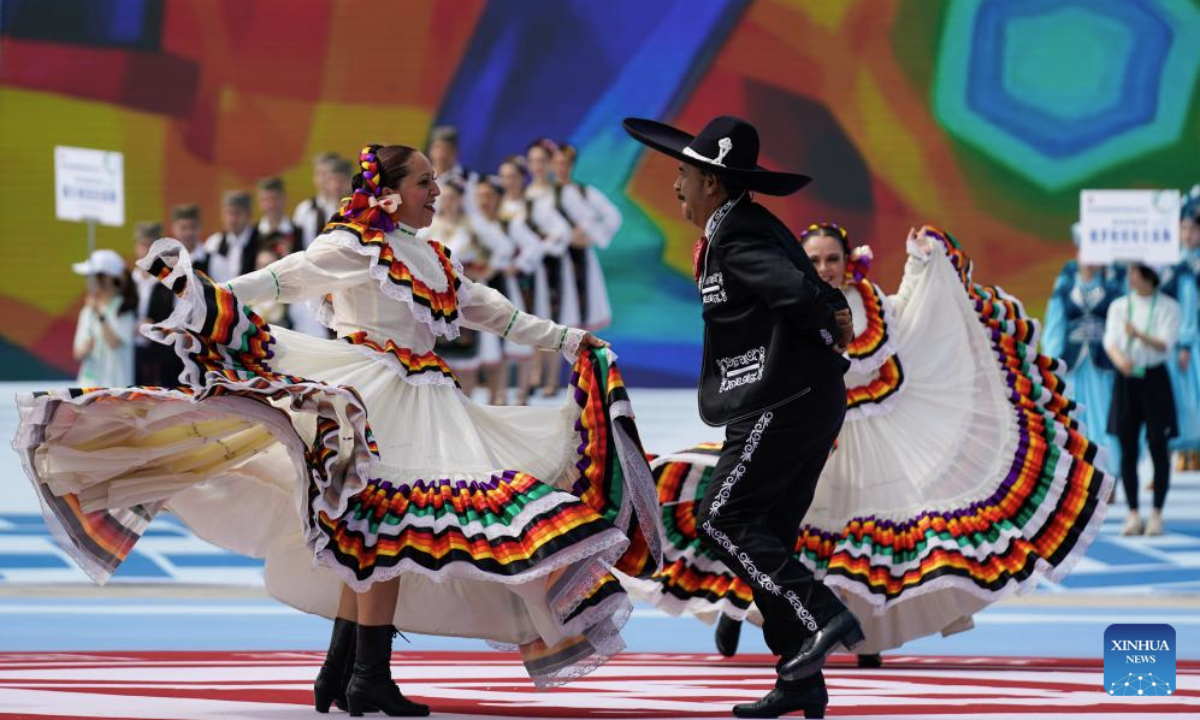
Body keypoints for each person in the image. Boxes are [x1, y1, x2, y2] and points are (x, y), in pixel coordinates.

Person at [16, 144, 662, 717]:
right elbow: (280, 279)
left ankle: (345, 673)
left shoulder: (433, 256)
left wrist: (572, 341)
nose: (436, 192)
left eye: (435, 182)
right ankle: (365, 677)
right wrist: (201, 298)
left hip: (430, 400)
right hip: (369, 396)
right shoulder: (353, 245)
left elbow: (492, 311)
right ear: (387, 193)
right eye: (424, 183)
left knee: (382, 536)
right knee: (382, 533)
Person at [639, 221, 1116, 679]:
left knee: (868, 537)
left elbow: (914, 311)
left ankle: (865, 639)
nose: (824, 268)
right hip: (806, 433)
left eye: (832, 259)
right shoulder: (788, 304)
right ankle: (741, 606)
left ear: (849, 263)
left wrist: (919, 261)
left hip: (871, 435)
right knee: (778, 532)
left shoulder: (872, 306)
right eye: (814, 260)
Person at [624, 115, 856, 720]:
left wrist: (825, 322)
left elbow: (798, 293)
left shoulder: (736, 235)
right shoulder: (740, 226)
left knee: (722, 516)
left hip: (783, 399)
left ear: (713, 182)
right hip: (801, 398)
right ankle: (800, 677)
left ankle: (823, 615)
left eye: (685, 173)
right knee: (766, 534)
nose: (676, 184)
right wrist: (829, 317)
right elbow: (812, 292)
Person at [1105, 263, 1181, 536]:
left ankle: (1157, 513)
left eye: (1136, 272)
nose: (1131, 277)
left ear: (1150, 274)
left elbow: (1165, 344)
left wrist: (1137, 335)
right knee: (1127, 445)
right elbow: (1110, 341)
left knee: (1158, 446)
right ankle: (1133, 513)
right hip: (1126, 379)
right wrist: (1119, 361)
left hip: (1154, 379)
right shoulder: (1119, 306)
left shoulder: (1168, 306)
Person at [1043, 232, 1126, 475]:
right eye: (1085, 251)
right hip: (1072, 365)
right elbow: (1054, 324)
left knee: (1105, 418)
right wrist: (1052, 360)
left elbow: (1121, 323)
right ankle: (1079, 474)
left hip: (1103, 365)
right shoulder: (1066, 286)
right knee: (1073, 419)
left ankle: (1108, 474)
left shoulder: (1113, 288)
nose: (1089, 258)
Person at [526, 139, 581, 396]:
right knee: (532, 317)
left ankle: (551, 378)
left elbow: (568, 231)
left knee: (554, 318)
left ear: (550, 164)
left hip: (553, 265)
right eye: (533, 161)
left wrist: (545, 243)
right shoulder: (525, 193)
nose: (537, 166)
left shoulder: (558, 193)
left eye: (542, 161)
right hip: (530, 266)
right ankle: (534, 373)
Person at [552, 143, 622, 331]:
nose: (561, 168)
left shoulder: (583, 192)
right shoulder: (544, 194)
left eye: (565, 163)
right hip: (552, 260)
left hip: (579, 258)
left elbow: (613, 215)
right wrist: (565, 237)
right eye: (557, 163)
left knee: (582, 311)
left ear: (571, 165)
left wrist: (592, 236)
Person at [70, 248, 136, 388]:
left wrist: (100, 315)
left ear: (107, 278)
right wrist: (85, 349)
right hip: (89, 385)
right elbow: (77, 353)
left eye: (91, 277)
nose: (88, 282)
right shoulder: (87, 311)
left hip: (117, 388)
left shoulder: (123, 309)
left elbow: (114, 343)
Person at [132, 222, 183, 386]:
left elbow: (182, 322)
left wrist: (156, 326)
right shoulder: (128, 282)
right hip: (132, 359)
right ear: (136, 247)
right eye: (143, 245)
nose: (147, 251)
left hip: (163, 361)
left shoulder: (173, 281)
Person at [204, 190, 262, 283]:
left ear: (249, 214)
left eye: (237, 213)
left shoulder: (261, 240)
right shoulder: (214, 243)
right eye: (229, 213)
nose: (232, 219)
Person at [255, 176, 297, 252]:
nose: (271, 205)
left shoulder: (299, 233)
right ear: (259, 203)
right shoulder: (252, 235)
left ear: (284, 199)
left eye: (274, 199)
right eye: (266, 200)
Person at [169, 203, 208, 275]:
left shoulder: (214, 261)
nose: (188, 232)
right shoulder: (165, 262)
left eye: (192, 227)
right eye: (183, 228)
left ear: (200, 227)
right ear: (174, 229)